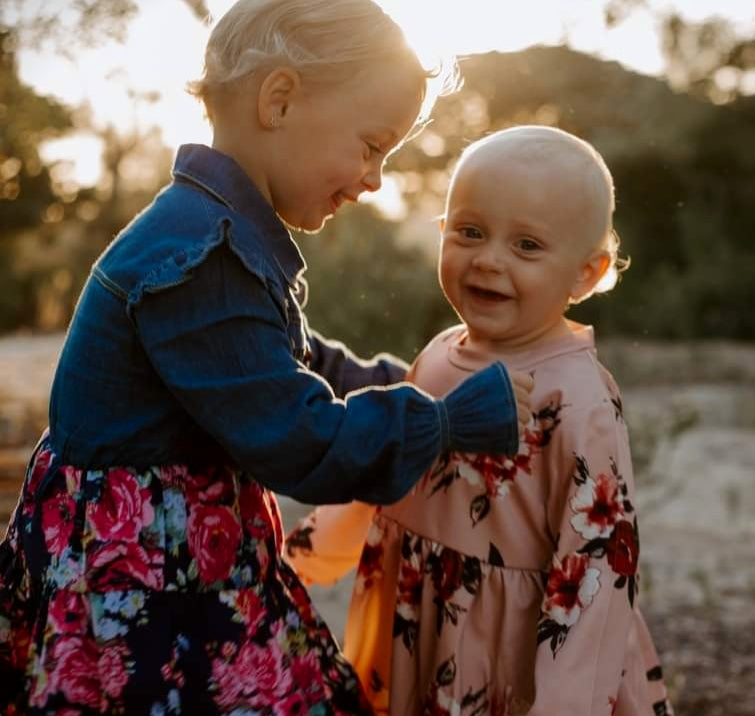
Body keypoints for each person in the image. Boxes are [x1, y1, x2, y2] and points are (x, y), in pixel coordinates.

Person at [0, 1, 533, 713]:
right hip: (141, 579)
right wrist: (442, 422)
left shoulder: (213, 234)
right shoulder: (199, 259)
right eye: (371, 145)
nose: (374, 178)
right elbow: (297, 437)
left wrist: (416, 377)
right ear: (279, 100)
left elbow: (300, 358)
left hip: (177, 558)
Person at [284, 125, 673, 715]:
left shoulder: (580, 399)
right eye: (470, 232)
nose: (489, 259)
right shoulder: (439, 354)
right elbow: (394, 458)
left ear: (585, 274)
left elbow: (596, 563)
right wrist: (308, 555)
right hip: (417, 616)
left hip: (512, 652)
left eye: (527, 246)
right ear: (442, 234)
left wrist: (564, 704)